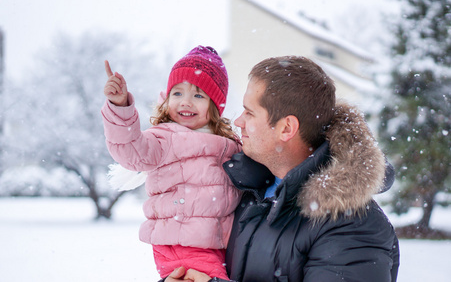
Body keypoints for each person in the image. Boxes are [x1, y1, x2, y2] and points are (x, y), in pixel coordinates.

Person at [167, 56, 399, 282]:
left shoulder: (353, 227)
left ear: (286, 128)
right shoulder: (244, 190)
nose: (238, 121)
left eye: (249, 112)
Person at [101, 46, 242, 280]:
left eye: (198, 95)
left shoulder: (227, 143)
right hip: (180, 242)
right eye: (177, 94)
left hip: (214, 244)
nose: (185, 102)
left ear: (215, 106)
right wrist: (120, 106)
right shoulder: (164, 138)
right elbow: (131, 150)